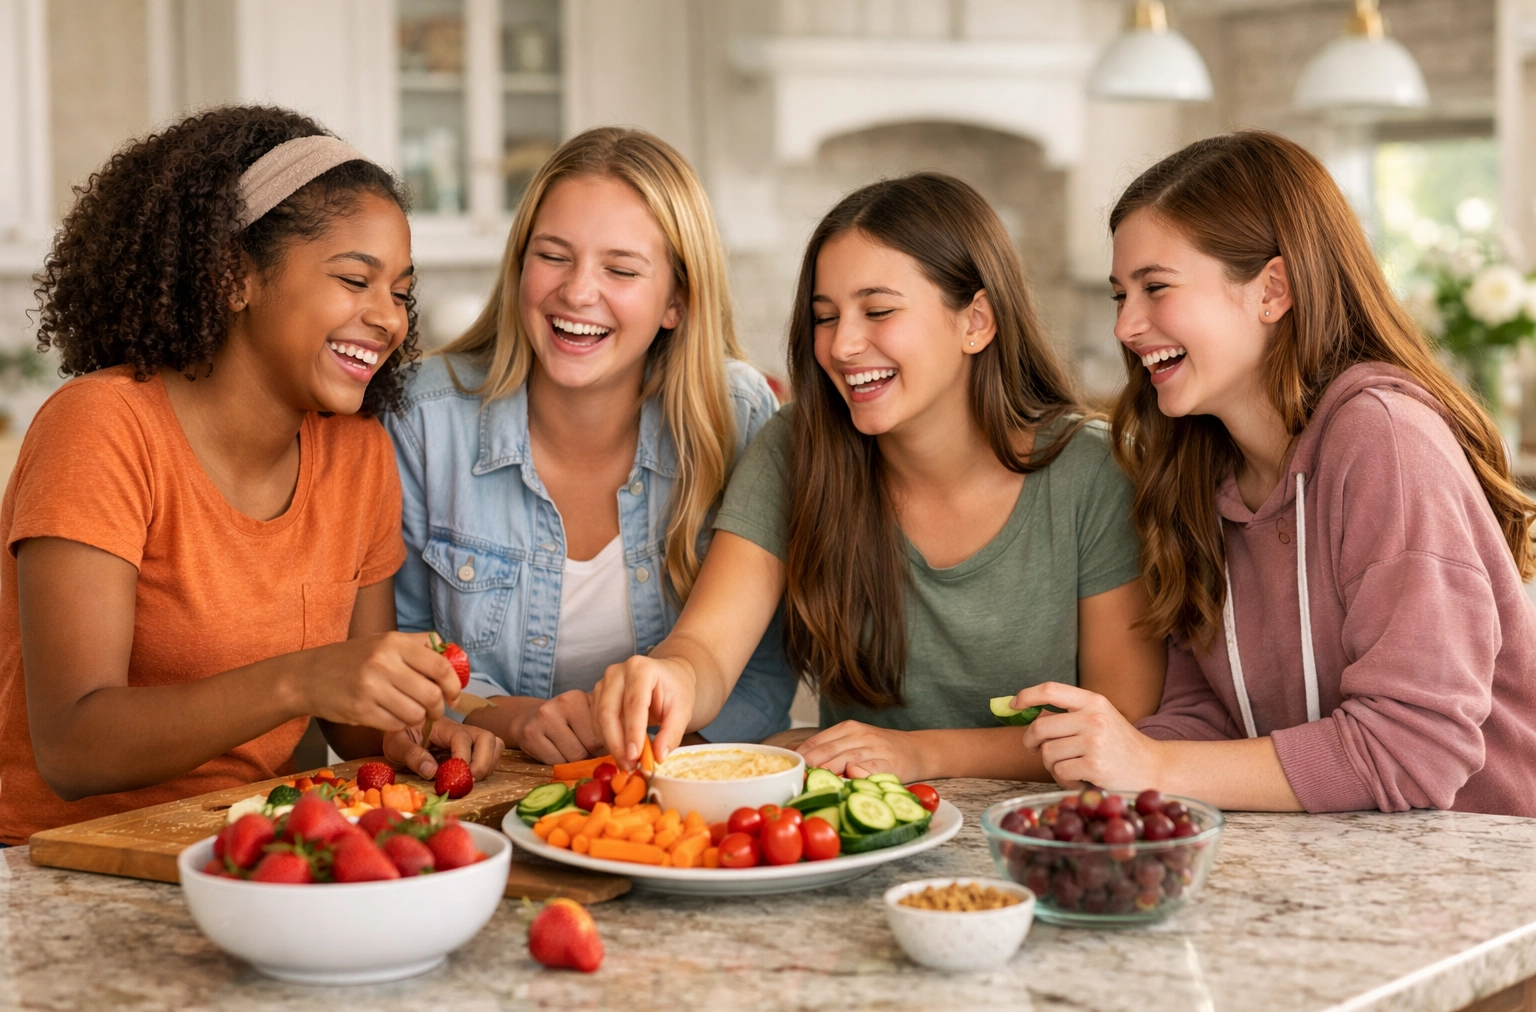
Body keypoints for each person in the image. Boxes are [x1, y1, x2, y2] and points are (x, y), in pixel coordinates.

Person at [0, 106, 503, 846]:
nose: (389, 319)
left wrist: (411, 735)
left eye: (399, 292)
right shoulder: (101, 429)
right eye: (354, 280)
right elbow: (72, 746)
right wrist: (300, 678)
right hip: (66, 867)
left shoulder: (357, 455)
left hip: (253, 851)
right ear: (233, 276)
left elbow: (350, 719)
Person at [1011, 131, 1536, 816]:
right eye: (1120, 296)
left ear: (1273, 290)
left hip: (1482, 880)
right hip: (1333, 865)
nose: (1127, 326)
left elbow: (1414, 750)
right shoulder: (1198, 465)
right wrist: (1114, 784)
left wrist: (1150, 762)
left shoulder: (1384, 441)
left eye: (1156, 288)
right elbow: (1207, 712)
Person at [590, 172, 1166, 781]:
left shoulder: (1094, 473)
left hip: (1043, 838)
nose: (842, 346)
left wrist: (922, 754)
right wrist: (669, 674)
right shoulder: (797, 448)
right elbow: (707, 647)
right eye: (826, 316)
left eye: (879, 311)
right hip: (859, 837)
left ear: (976, 321)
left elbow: (1123, 718)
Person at [386, 127, 796, 764]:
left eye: (621, 269)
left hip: (670, 793)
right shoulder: (424, 417)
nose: (578, 292)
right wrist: (514, 720)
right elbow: (398, 652)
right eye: (553, 256)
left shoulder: (736, 416)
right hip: (482, 795)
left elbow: (761, 670)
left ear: (676, 303)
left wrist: (636, 761)